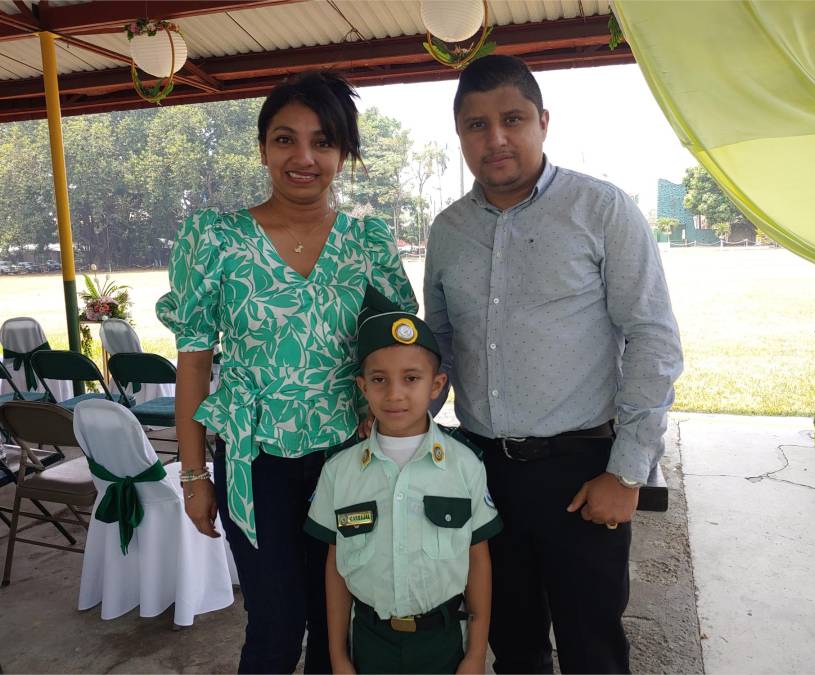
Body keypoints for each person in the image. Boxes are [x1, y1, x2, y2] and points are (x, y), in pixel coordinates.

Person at [424, 55, 683, 674]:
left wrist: (626, 473)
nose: (496, 139)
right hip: (484, 473)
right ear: (460, 134)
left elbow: (652, 337)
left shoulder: (601, 210)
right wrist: (406, 438)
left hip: (583, 472)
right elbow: (441, 345)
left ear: (542, 121)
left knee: (592, 645)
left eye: (512, 119)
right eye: (476, 126)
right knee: (511, 644)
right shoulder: (448, 230)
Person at [156, 72, 417, 674]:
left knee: (339, 624)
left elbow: (398, 354)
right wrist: (194, 475)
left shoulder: (367, 243)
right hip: (255, 463)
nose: (303, 158)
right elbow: (193, 363)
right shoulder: (216, 238)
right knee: (274, 624)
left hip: (348, 464)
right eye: (284, 140)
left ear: (343, 153)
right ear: (263, 148)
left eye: (323, 142)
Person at [304, 287, 502, 674]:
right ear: (362, 387)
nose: (394, 394)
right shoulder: (340, 471)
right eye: (379, 380)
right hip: (370, 640)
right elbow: (335, 567)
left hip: (443, 640)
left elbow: (478, 560)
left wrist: (476, 653)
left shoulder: (464, 465)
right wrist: (338, 656)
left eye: (411, 378)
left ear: (436, 385)